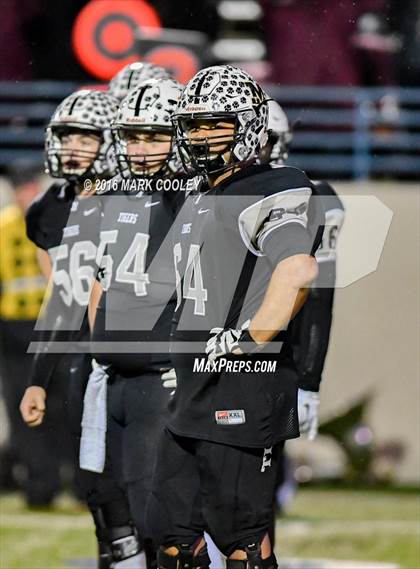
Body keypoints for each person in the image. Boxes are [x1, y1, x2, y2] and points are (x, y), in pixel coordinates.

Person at [147, 65, 321, 569]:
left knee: (243, 543)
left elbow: (298, 270)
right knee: (175, 541)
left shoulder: (270, 187)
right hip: (191, 389)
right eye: (193, 125)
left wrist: (247, 340)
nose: (200, 137)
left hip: (240, 388)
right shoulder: (200, 192)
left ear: (247, 126)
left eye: (215, 124)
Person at [19, 90, 143, 569]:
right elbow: (63, 293)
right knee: (95, 482)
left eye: (85, 136)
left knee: (149, 487)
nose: (72, 146)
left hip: (142, 356)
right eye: (66, 135)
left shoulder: (137, 199)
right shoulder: (48, 209)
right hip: (81, 353)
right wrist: (38, 376)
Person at [87, 77, 195, 568]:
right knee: (120, 502)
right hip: (116, 376)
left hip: (161, 376)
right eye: (133, 136)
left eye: (155, 135)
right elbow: (102, 280)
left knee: (163, 513)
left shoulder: (193, 198)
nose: (142, 148)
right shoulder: (119, 194)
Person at [0, 162, 60, 506]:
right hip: (18, 326)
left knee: (53, 408)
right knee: (30, 409)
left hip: (45, 323)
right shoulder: (45, 222)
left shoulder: (14, 224)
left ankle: (50, 483)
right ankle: (42, 484)